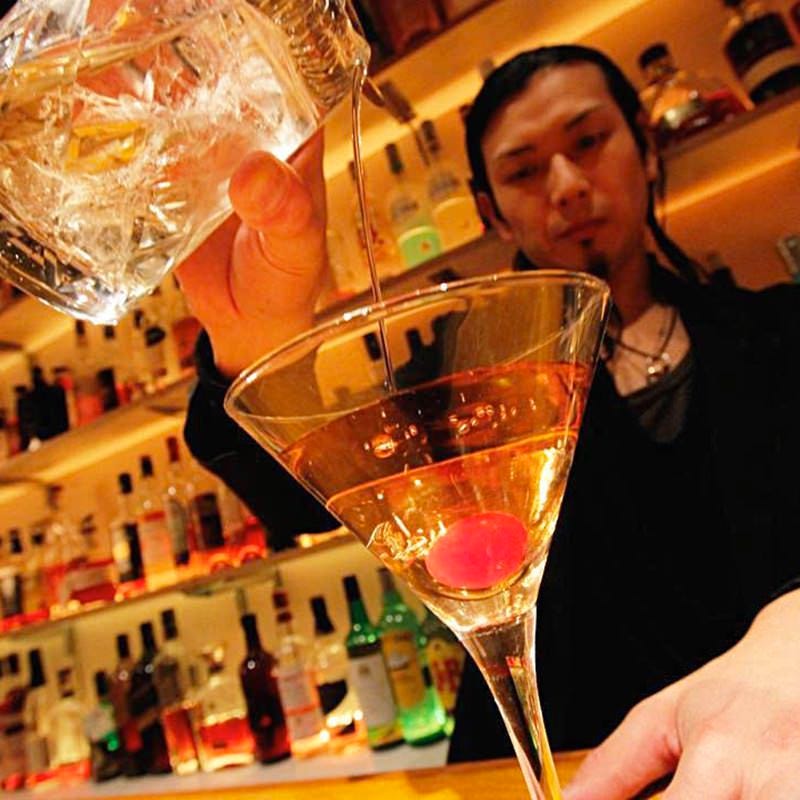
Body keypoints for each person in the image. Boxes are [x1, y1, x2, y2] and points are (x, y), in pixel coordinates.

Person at [177, 44, 800, 799]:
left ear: (644, 144)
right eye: (524, 170)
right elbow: (299, 495)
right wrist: (252, 345)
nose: (567, 186)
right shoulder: (450, 388)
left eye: (588, 141)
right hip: (543, 772)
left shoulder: (779, 332)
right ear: (488, 207)